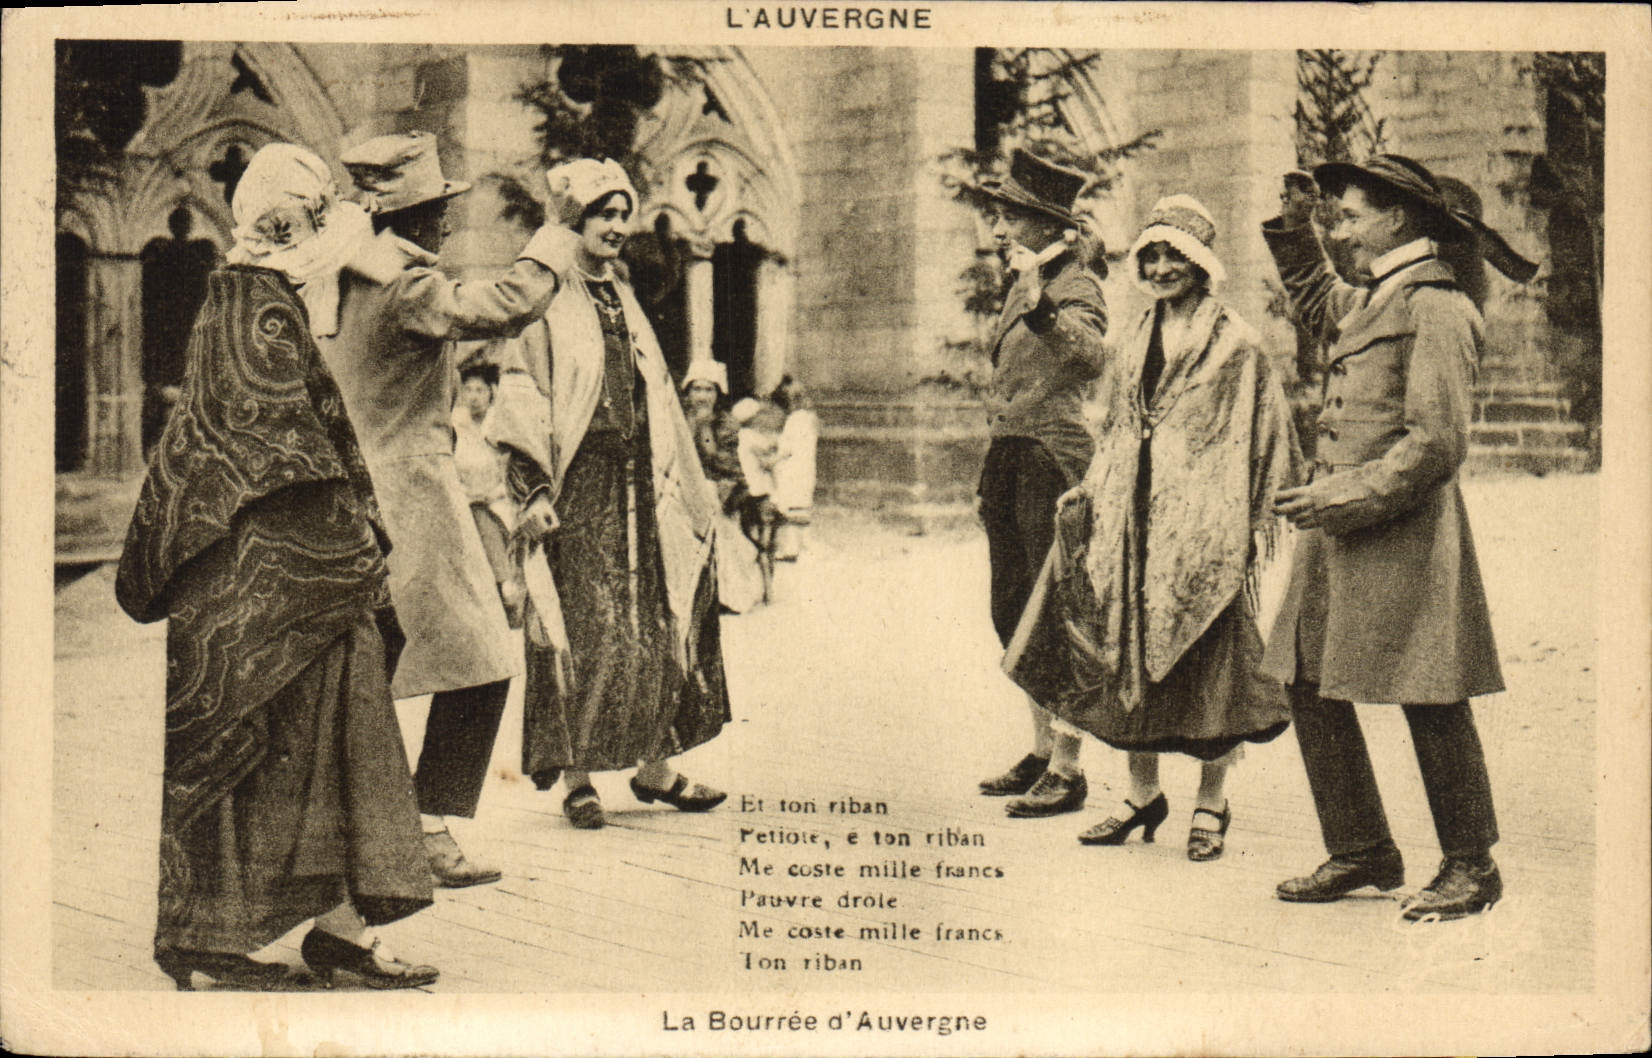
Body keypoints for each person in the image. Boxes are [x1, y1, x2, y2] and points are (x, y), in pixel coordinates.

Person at [115, 143, 438, 990]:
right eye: (325, 219)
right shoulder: (253, 303)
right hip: (271, 582)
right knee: (303, 744)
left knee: (332, 741)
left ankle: (334, 931)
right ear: (294, 228)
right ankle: (220, 943)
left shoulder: (258, 296)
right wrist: (356, 546)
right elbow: (275, 448)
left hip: (280, 582)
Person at [1262, 154, 1536, 920]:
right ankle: (1362, 851)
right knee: (1305, 678)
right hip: (1342, 531)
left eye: (1348, 217)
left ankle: (1472, 866)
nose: (1338, 229)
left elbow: (1438, 442)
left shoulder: (1437, 307)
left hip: (1398, 528)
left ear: (1398, 220)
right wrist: (1295, 228)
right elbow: (1322, 299)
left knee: (1429, 689)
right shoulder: (1384, 296)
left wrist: (1345, 494)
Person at [1005, 196, 1302, 859]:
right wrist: (1093, 489)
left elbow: (1266, 434)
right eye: (1153, 256)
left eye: (1176, 257)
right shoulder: (1137, 333)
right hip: (1129, 528)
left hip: (1200, 532)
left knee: (1210, 674)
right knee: (1125, 661)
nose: (1163, 267)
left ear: (1201, 266)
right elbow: (1111, 416)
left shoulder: (1236, 345)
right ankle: (1141, 799)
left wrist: (1243, 520)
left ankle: (1211, 807)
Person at [319, 131, 574, 887]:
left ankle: (370, 836)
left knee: (374, 673)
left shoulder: (339, 273)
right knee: (483, 665)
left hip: (348, 496)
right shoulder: (403, 283)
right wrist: (552, 235)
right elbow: (507, 305)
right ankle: (423, 832)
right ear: (413, 216)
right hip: (412, 501)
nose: (446, 225)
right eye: (437, 210)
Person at [490, 157, 731, 830]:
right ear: (574, 221)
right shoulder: (548, 300)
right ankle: (579, 778)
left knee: (653, 623)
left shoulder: (619, 294)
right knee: (584, 629)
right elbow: (522, 395)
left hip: (640, 484)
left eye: (625, 214)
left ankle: (654, 766)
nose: (618, 227)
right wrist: (532, 489)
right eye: (605, 214)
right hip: (579, 487)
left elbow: (653, 391)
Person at [965, 148, 1109, 818]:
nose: (999, 231)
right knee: (1012, 609)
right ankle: (1040, 747)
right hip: (1012, 457)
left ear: (1048, 226)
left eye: (1011, 217)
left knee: (1057, 613)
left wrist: (1039, 302)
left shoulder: (1076, 284)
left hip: (1054, 460)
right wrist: (989, 473)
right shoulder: (1024, 283)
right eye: (1000, 215)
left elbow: (1091, 358)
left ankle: (1070, 767)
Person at [680, 358, 766, 613]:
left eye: (709, 389)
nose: (702, 396)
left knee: (718, 525)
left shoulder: (726, 424)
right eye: (697, 389)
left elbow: (721, 462)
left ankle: (724, 595)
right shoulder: (679, 418)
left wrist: (704, 426)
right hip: (685, 486)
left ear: (718, 394)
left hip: (718, 487)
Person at [452, 358, 524, 625]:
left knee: (485, 519)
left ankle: (506, 585)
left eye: (479, 390)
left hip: (498, 502)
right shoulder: (455, 424)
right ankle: (503, 584)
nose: (473, 397)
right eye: (468, 390)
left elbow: (506, 472)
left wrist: (489, 494)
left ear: (492, 391)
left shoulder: (499, 424)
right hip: (465, 502)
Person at [769, 374, 819, 561]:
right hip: (805, 468)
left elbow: (787, 448)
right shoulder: (810, 419)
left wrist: (772, 461)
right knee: (801, 505)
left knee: (789, 506)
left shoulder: (795, 420)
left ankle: (791, 548)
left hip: (792, 470)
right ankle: (803, 543)